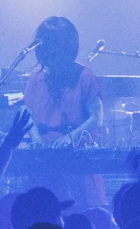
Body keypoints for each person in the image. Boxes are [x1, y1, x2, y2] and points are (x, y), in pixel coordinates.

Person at [23, 16, 105, 147]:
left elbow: (97, 118)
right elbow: (26, 115)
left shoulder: (85, 77)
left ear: (68, 48)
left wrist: (71, 138)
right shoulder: (36, 78)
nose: (50, 52)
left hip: (77, 151)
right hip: (43, 151)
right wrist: (37, 140)